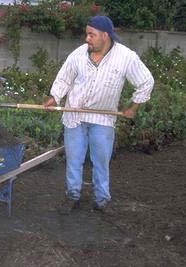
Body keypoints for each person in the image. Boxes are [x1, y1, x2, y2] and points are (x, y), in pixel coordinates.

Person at [44, 16, 154, 214]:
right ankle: (72, 196)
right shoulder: (78, 54)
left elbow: (146, 82)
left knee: (101, 161)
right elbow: (64, 78)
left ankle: (102, 200)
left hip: (103, 119)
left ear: (105, 35)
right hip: (74, 116)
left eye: (91, 34)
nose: (87, 38)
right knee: (74, 160)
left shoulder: (126, 57)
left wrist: (133, 107)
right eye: (87, 34)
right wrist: (55, 97)